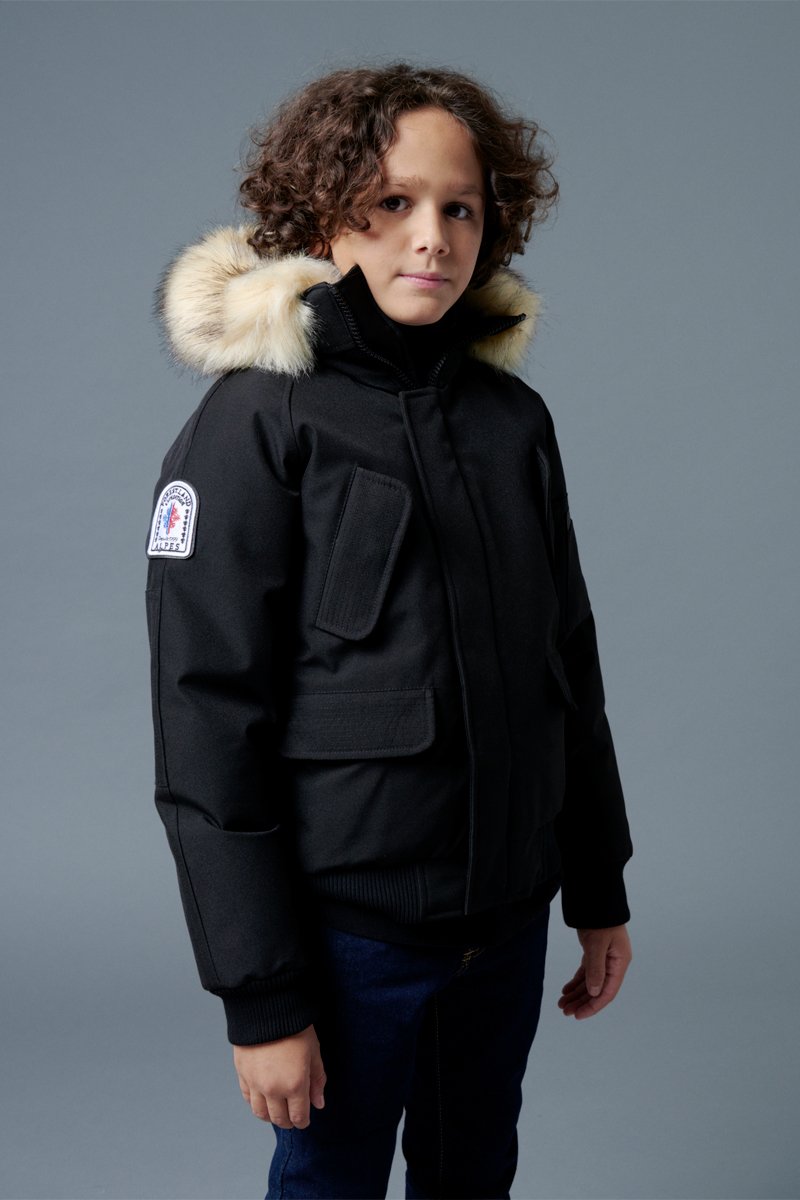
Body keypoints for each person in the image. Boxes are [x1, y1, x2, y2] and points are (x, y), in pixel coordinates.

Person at [145, 62, 634, 1200]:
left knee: (474, 1172)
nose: (431, 238)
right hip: (348, 939)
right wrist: (262, 996)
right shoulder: (256, 420)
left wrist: (597, 885)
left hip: (505, 925)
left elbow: (568, 663)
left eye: (460, 208)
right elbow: (205, 720)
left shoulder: (511, 422)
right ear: (324, 214)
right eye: (392, 203)